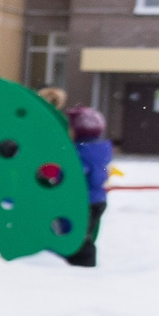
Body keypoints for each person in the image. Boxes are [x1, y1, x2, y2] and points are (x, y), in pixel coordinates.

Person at [66, 103, 113, 266]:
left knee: (80, 236)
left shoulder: (81, 152)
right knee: (84, 233)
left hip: (86, 201)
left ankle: (83, 266)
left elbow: (76, 173)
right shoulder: (99, 148)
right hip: (97, 200)